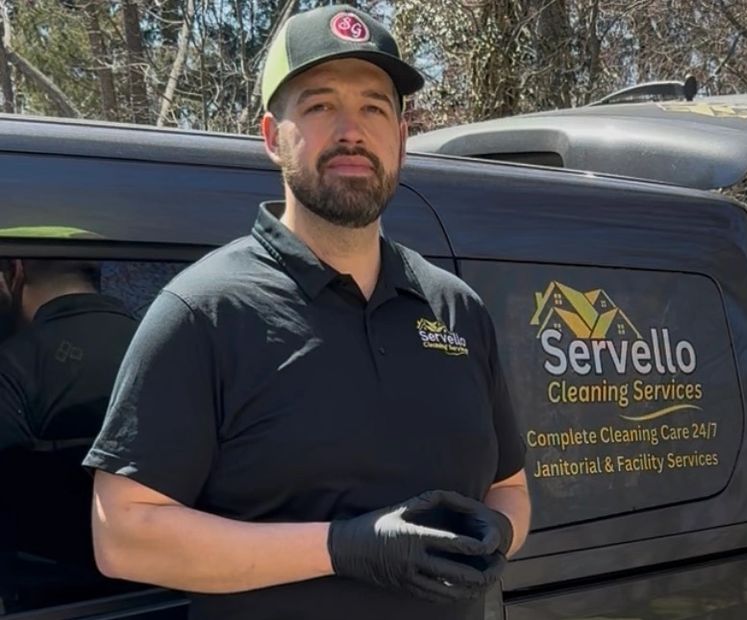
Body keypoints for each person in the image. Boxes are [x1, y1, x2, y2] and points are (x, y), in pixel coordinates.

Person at [82, 5, 530, 619]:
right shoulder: (205, 311)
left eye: (374, 107)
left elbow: (509, 489)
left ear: (401, 137)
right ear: (272, 136)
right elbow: (123, 535)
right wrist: (342, 548)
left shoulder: (455, 309)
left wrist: (501, 530)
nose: (352, 130)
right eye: (320, 106)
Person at [0, 258, 140, 612]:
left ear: (15, 273)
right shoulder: (164, 344)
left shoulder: (12, 363)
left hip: (47, 598)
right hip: (167, 586)